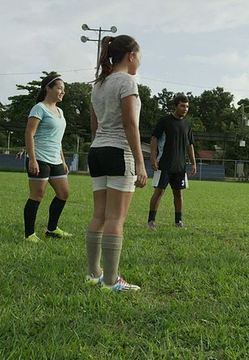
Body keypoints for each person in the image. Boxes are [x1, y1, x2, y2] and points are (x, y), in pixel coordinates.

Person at [85, 35, 148, 293]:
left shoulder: (99, 84)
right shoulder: (126, 81)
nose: (140, 62)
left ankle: (93, 274)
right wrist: (141, 164)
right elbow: (130, 123)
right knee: (116, 218)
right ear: (131, 55)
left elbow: (94, 124)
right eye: (140, 56)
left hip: (97, 151)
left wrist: (100, 142)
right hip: (119, 152)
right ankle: (111, 282)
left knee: (99, 215)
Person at [23, 74, 72, 243]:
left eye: (63, 89)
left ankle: (52, 229)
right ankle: (29, 234)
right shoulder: (39, 108)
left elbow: (57, 139)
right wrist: (32, 159)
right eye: (59, 88)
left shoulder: (60, 112)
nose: (62, 92)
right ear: (48, 89)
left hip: (55, 160)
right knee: (37, 195)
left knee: (64, 193)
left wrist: (63, 160)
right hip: (40, 158)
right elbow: (30, 133)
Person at [147, 94, 196, 230]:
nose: (185, 109)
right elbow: (154, 139)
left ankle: (178, 221)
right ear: (175, 106)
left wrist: (193, 163)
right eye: (182, 106)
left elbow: (189, 145)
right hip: (164, 164)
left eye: (187, 106)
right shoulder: (164, 121)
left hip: (180, 166)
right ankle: (151, 221)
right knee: (159, 192)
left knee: (178, 193)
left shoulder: (187, 125)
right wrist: (153, 158)